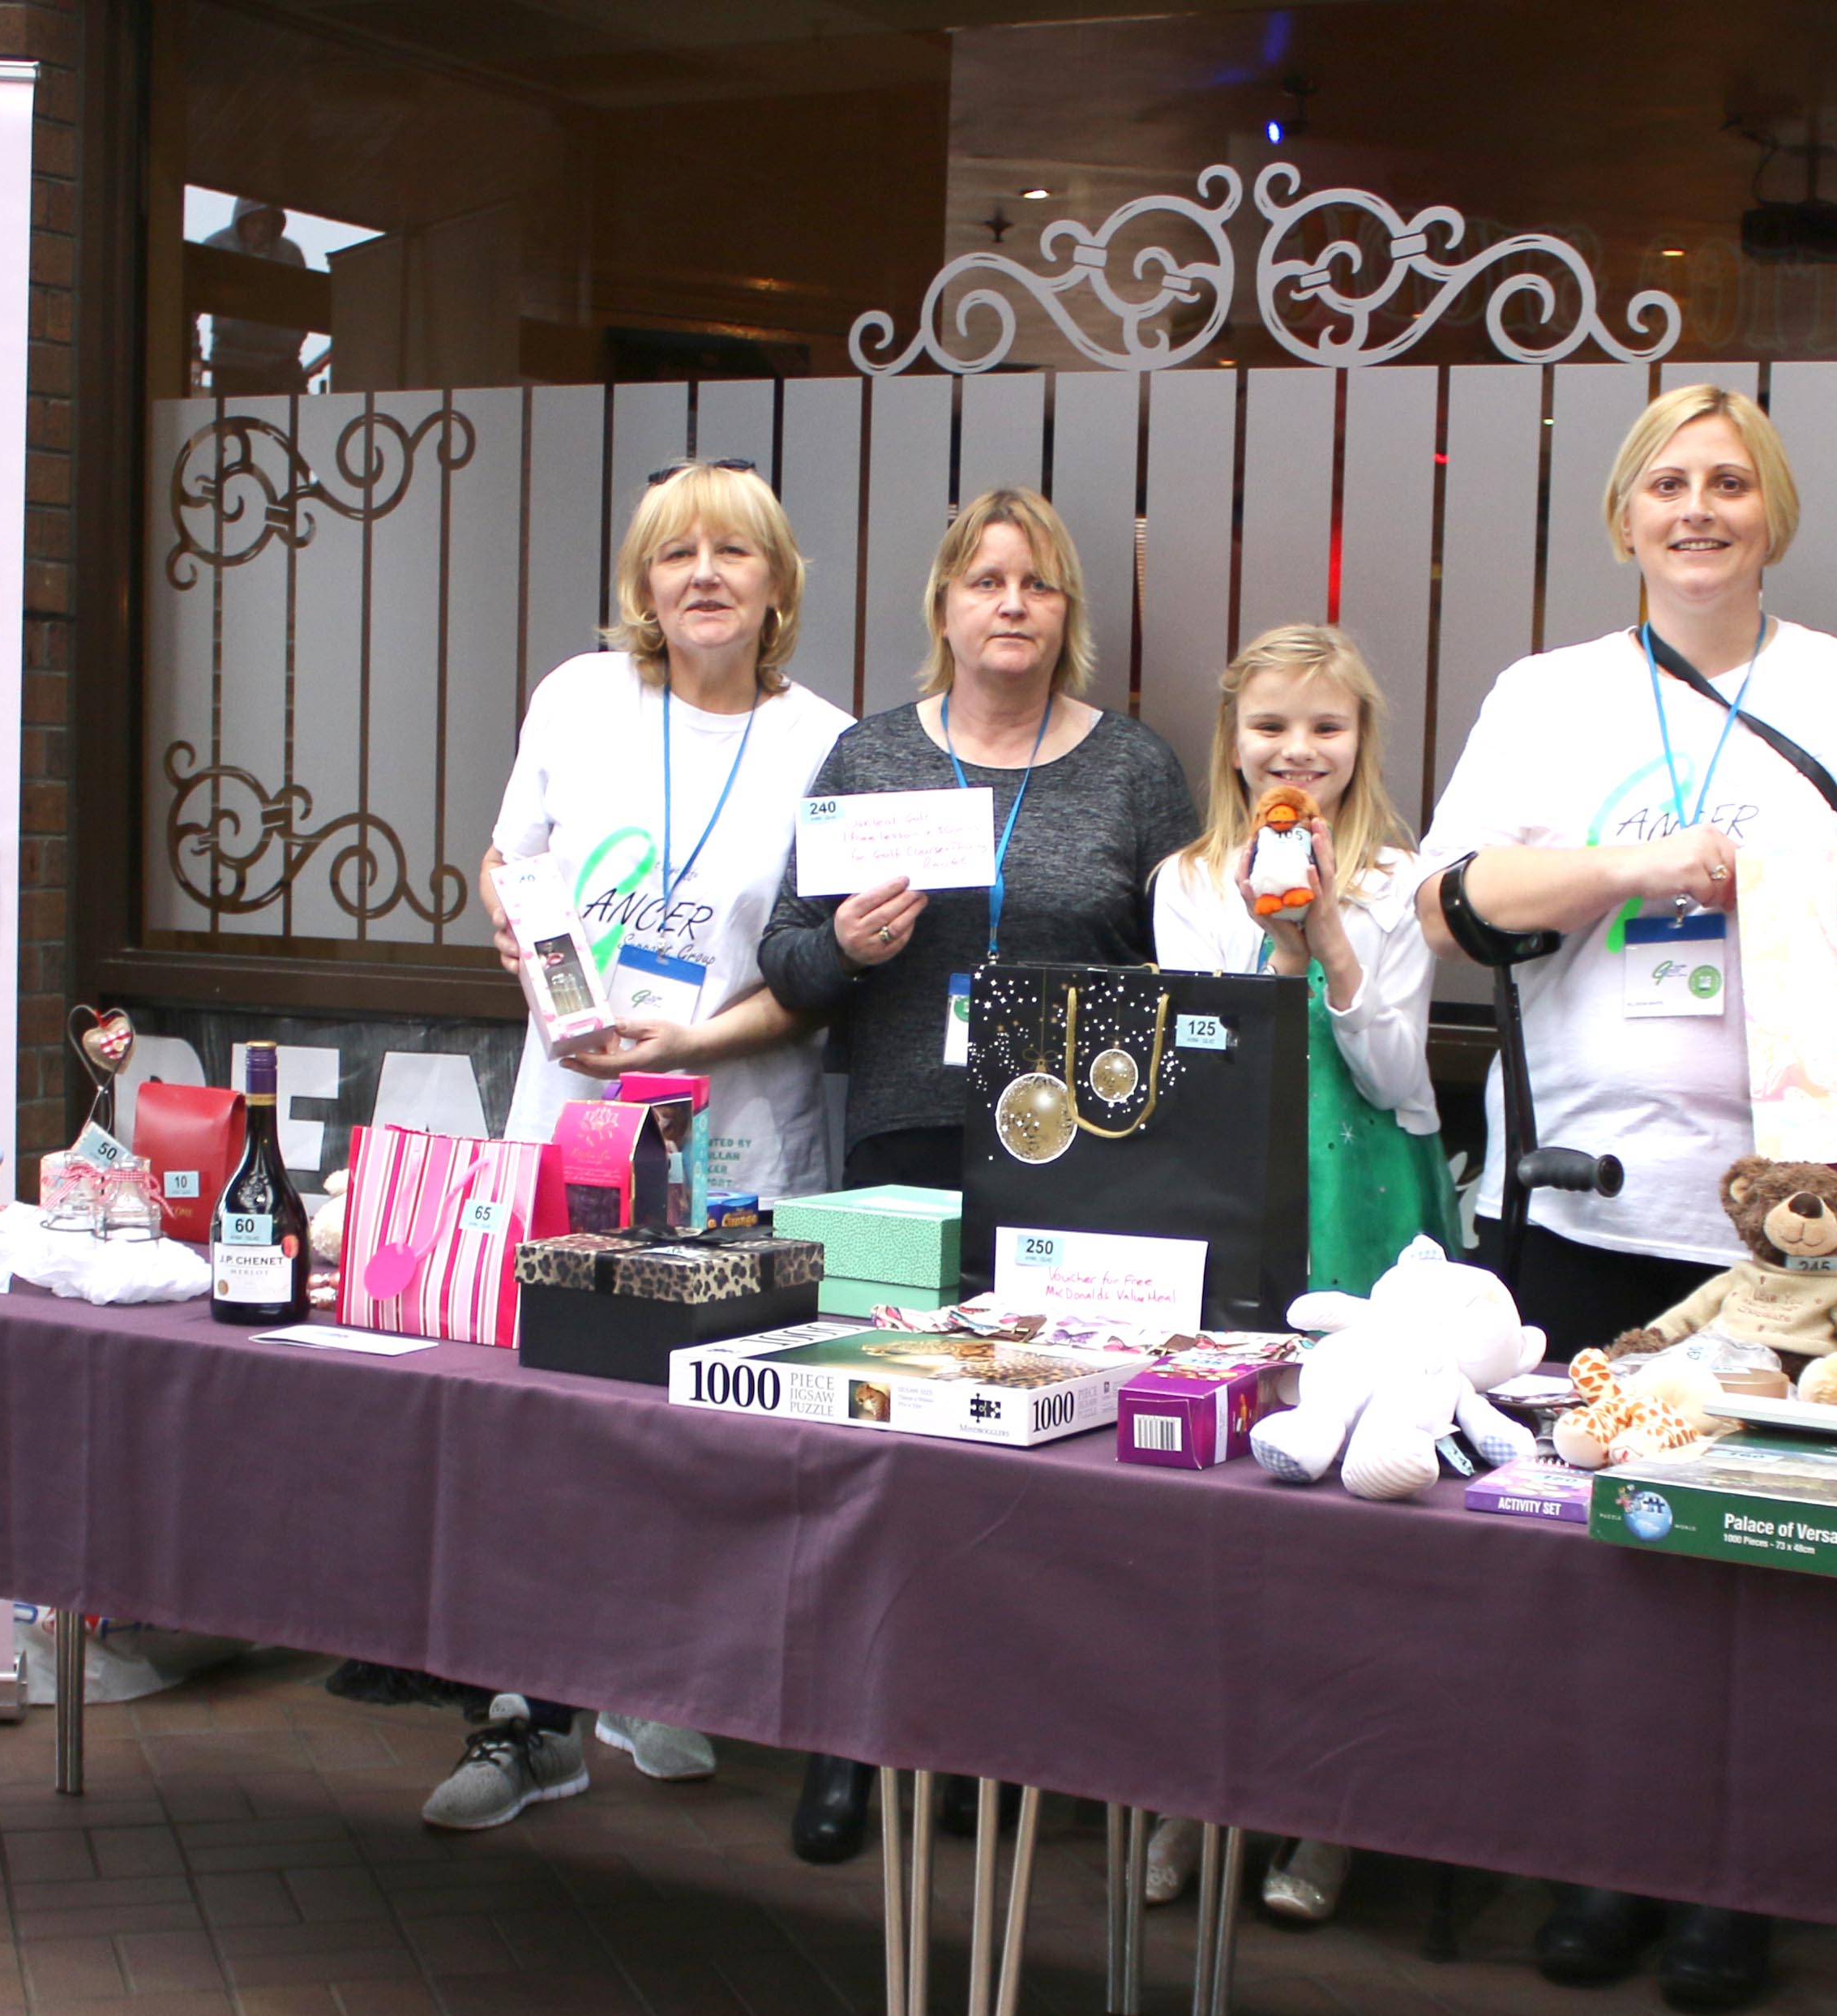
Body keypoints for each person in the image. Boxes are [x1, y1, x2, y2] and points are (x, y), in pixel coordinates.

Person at [1412, 381, 1837, 2011]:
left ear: (1769, 513)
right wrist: (1632, 869)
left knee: (1765, 1563)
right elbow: (1455, 905)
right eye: (1669, 485)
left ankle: (1735, 1882)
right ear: (1625, 518)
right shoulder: (1547, 698)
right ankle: (1604, 1861)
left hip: (1789, 1232)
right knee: (1595, 1554)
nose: (1699, 510)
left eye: (1729, 483)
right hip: (1576, 1200)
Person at [759, 486, 1200, 1862]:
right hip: (905, 1143)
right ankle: (847, 1745)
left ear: (1066, 616)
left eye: (1040, 585)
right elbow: (788, 962)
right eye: (987, 581)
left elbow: (1185, 972)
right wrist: (852, 949)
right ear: (942, 606)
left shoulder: (1133, 770)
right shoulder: (872, 758)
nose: (1012, 605)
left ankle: (985, 1739)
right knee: (878, 1448)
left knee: (1034, 1460)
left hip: (1076, 1165)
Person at [416, 459, 852, 1832]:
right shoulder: (579, 697)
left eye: (735, 552)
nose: (705, 575)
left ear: (779, 582)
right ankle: (530, 1721)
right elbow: (509, 861)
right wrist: (522, 939)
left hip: (740, 1131)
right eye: (676, 555)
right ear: (642, 583)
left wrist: (693, 1046)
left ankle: (667, 1675)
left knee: (705, 1430)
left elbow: (823, 966)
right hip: (575, 1111)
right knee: (551, 1424)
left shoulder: (829, 743)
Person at [1145, 620, 1454, 1925]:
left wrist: (1331, 927)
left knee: (1346, 1507)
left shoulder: (1403, 877)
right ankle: (1180, 1793)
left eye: (1325, 727)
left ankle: (1328, 1813)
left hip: (1367, 1193)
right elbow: (1205, 1058)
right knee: (1210, 1495)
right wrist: (1269, 934)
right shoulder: (1186, 878)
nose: (1298, 749)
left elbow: (1395, 1074)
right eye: (1272, 726)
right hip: (1230, 1200)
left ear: (1361, 741)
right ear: (1233, 740)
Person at [198, 198, 314, 396]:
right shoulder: (217, 247)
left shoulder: (290, 254)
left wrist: (290, 345)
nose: (261, 229)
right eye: (254, 222)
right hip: (232, 364)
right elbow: (188, 307)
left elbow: (305, 307)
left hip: (282, 366)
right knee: (233, 423)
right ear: (241, 221)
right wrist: (192, 354)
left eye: (266, 222)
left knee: (295, 422)